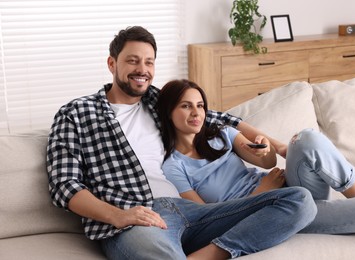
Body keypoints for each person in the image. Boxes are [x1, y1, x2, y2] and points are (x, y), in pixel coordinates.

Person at [46, 26, 317, 260]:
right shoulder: (76, 114)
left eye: (149, 62)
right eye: (133, 61)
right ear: (112, 64)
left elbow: (221, 120)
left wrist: (280, 147)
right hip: (136, 220)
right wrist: (118, 216)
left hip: (194, 212)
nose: (142, 70)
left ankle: (212, 253)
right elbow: (65, 186)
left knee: (300, 200)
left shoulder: (160, 101)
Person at [158, 79, 355, 234]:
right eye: (186, 106)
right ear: (169, 113)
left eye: (200, 105)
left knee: (305, 138)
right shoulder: (174, 166)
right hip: (270, 210)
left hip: (285, 185)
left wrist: (265, 148)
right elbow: (206, 218)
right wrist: (262, 193)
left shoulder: (222, 135)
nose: (196, 113)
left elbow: (267, 162)